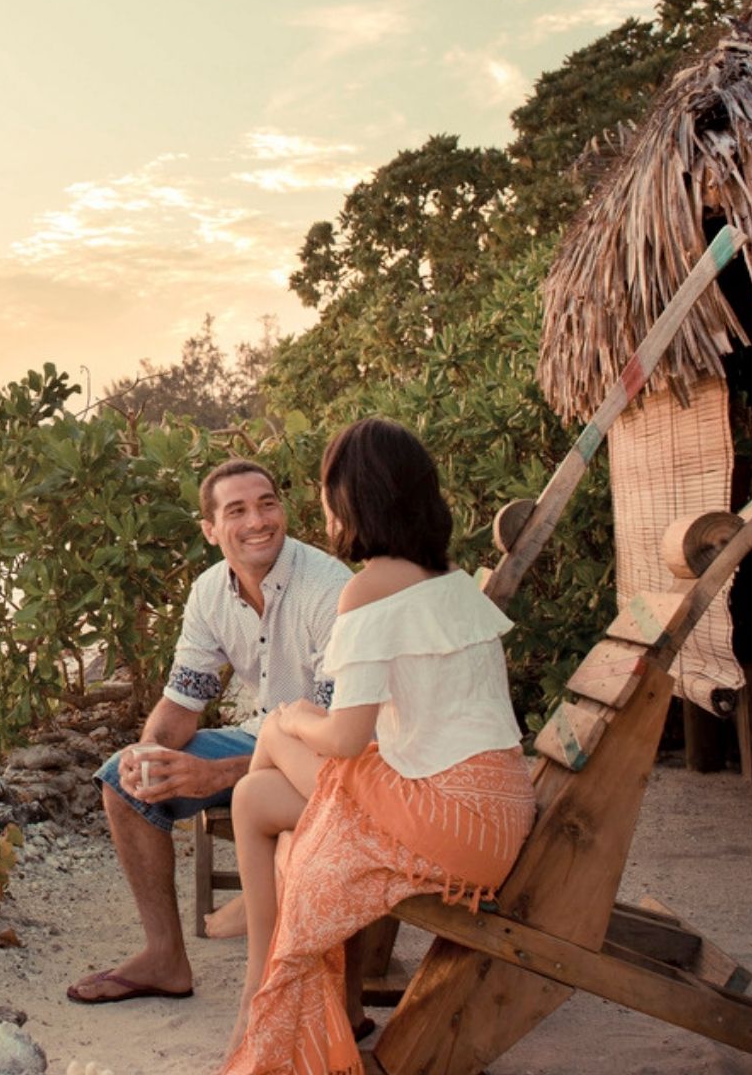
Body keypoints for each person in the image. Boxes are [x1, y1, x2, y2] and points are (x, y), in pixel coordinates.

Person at [221, 418, 535, 1075]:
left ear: (354, 499)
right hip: (492, 807)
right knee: (253, 798)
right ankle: (266, 969)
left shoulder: (368, 587)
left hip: (452, 819)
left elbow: (345, 737)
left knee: (282, 727)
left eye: (329, 492)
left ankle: (262, 972)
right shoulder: (444, 582)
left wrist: (296, 718)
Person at [65, 457, 350, 1005]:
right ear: (211, 529)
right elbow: (181, 701)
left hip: (325, 758)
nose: (258, 521)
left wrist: (211, 774)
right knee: (121, 781)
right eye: (237, 510)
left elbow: (342, 746)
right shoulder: (209, 593)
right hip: (263, 736)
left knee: (238, 778)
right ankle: (164, 957)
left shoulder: (328, 589)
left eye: (268, 503)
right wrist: (147, 755)